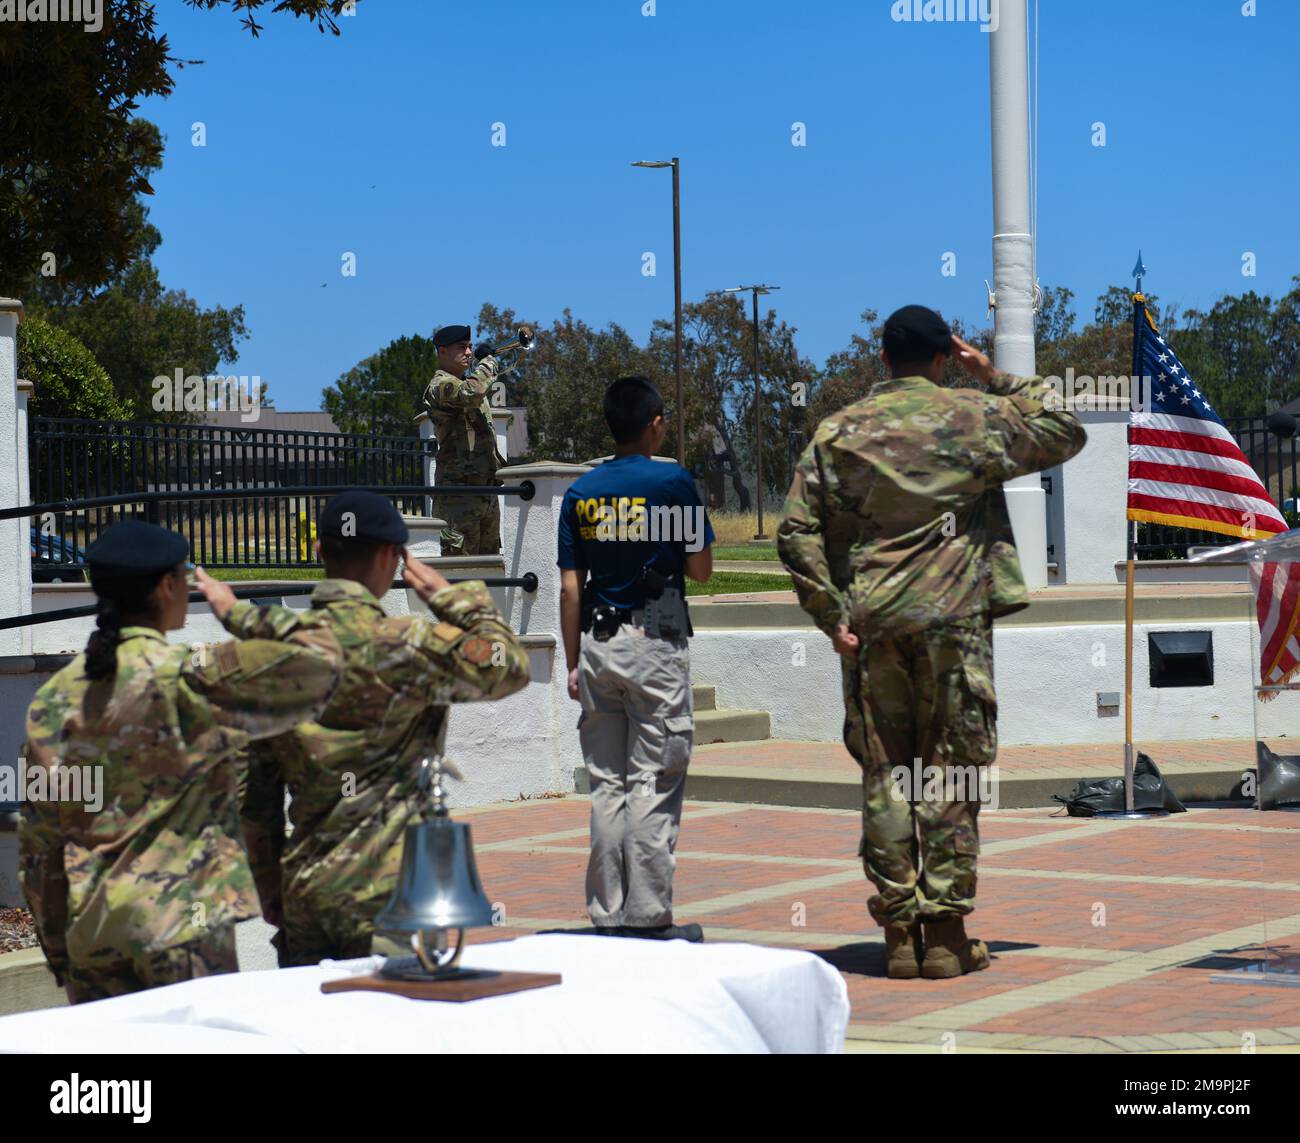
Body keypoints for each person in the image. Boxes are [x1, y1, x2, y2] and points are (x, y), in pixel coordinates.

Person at [777, 305, 1086, 979]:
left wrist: (832, 614)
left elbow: (794, 532)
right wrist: (991, 372)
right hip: (954, 622)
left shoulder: (838, 432)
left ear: (883, 357)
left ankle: (897, 936)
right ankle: (945, 935)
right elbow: (1065, 426)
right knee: (952, 769)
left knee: (887, 772)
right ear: (944, 356)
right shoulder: (972, 415)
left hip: (873, 624)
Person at [20, 521, 343, 1003]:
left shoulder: (52, 701)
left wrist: (60, 953)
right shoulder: (195, 679)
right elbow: (325, 660)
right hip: (184, 930)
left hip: (94, 934)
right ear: (167, 587)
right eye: (185, 576)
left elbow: (39, 848)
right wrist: (236, 613)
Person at [231, 490, 529, 966]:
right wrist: (451, 597)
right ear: (393, 558)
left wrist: (272, 890)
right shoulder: (411, 644)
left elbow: (255, 801)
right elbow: (509, 664)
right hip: (397, 893)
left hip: (310, 893)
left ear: (320, 552)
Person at [557, 376, 715, 942]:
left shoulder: (581, 494)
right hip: (658, 638)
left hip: (598, 644)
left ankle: (607, 914)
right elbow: (701, 570)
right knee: (652, 782)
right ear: (652, 423)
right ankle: (647, 919)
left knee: (607, 785)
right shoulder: (674, 482)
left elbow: (571, 591)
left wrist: (574, 663)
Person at [423, 323, 506, 556]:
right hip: (458, 496)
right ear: (442, 351)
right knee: (459, 571)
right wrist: (489, 362)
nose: (469, 352)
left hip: (485, 492)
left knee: (491, 571)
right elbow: (471, 392)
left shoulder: (470, 382)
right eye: (462, 347)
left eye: (470, 347)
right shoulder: (439, 385)